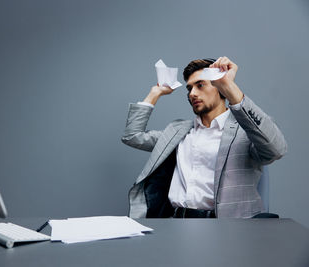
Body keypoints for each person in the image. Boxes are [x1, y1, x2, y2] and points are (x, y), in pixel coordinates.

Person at [121, 57, 287, 218]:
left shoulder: (245, 131)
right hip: (176, 224)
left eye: (200, 85)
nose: (192, 93)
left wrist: (229, 87)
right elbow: (132, 136)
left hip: (229, 229)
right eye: (189, 88)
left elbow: (276, 149)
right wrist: (154, 93)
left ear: (218, 87)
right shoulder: (178, 131)